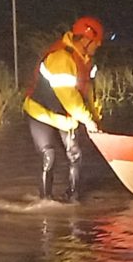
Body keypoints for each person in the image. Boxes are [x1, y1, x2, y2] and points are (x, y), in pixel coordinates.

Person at [23, 16, 105, 202]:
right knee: (48, 155)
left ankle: (73, 199)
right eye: (96, 43)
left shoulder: (87, 61)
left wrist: (95, 117)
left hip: (65, 117)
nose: (98, 46)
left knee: (75, 155)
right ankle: (45, 202)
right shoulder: (60, 58)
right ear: (86, 39)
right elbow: (69, 98)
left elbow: (89, 93)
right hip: (40, 112)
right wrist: (87, 120)